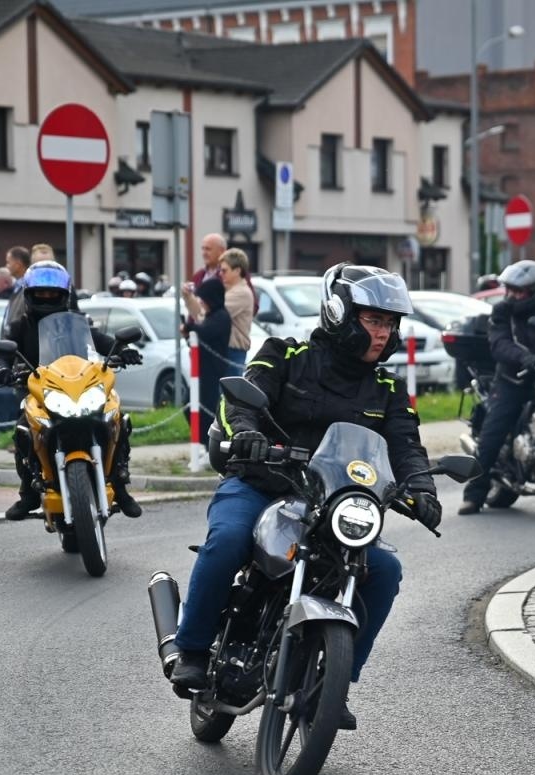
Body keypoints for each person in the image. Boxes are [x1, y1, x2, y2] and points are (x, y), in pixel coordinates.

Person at [169, 263, 443, 728]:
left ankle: (334, 682)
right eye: (373, 320)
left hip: (331, 506)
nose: (384, 333)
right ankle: (192, 647)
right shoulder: (285, 353)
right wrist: (249, 435)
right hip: (261, 485)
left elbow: (406, 445)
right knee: (229, 540)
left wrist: (422, 488)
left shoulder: (388, 388)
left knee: (385, 570)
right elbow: (240, 399)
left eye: (391, 323)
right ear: (339, 314)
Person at [0, 260, 143, 522]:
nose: (47, 297)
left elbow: (104, 341)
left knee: (117, 418)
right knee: (23, 431)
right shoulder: (20, 326)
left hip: (81, 388)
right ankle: (28, 493)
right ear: (29, 295)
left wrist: (123, 351)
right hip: (40, 392)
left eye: (53, 293)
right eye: (40, 293)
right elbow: (2, 355)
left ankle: (120, 486)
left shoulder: (78, 323)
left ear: (66, 295)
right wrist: (1, 368)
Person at [459, 259, 535, 515]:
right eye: (509, 289)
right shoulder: (502, 311)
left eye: (518, 290)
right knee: (494, 431)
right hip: (514, 380)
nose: (511, 295)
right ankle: (474, 494)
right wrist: (523, 357)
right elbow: (499, 343)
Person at [182, 277, 231, 436]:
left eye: (204, 299)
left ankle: (208, 444)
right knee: (189, 406)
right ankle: (202, 443)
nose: (201, 302)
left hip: (212, 372)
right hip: (201, 371)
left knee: (208, 411)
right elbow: (198, 340)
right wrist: (188, 335)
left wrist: (190, 327)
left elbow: (206, 333)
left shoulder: (222, 317)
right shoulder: (210, 316)